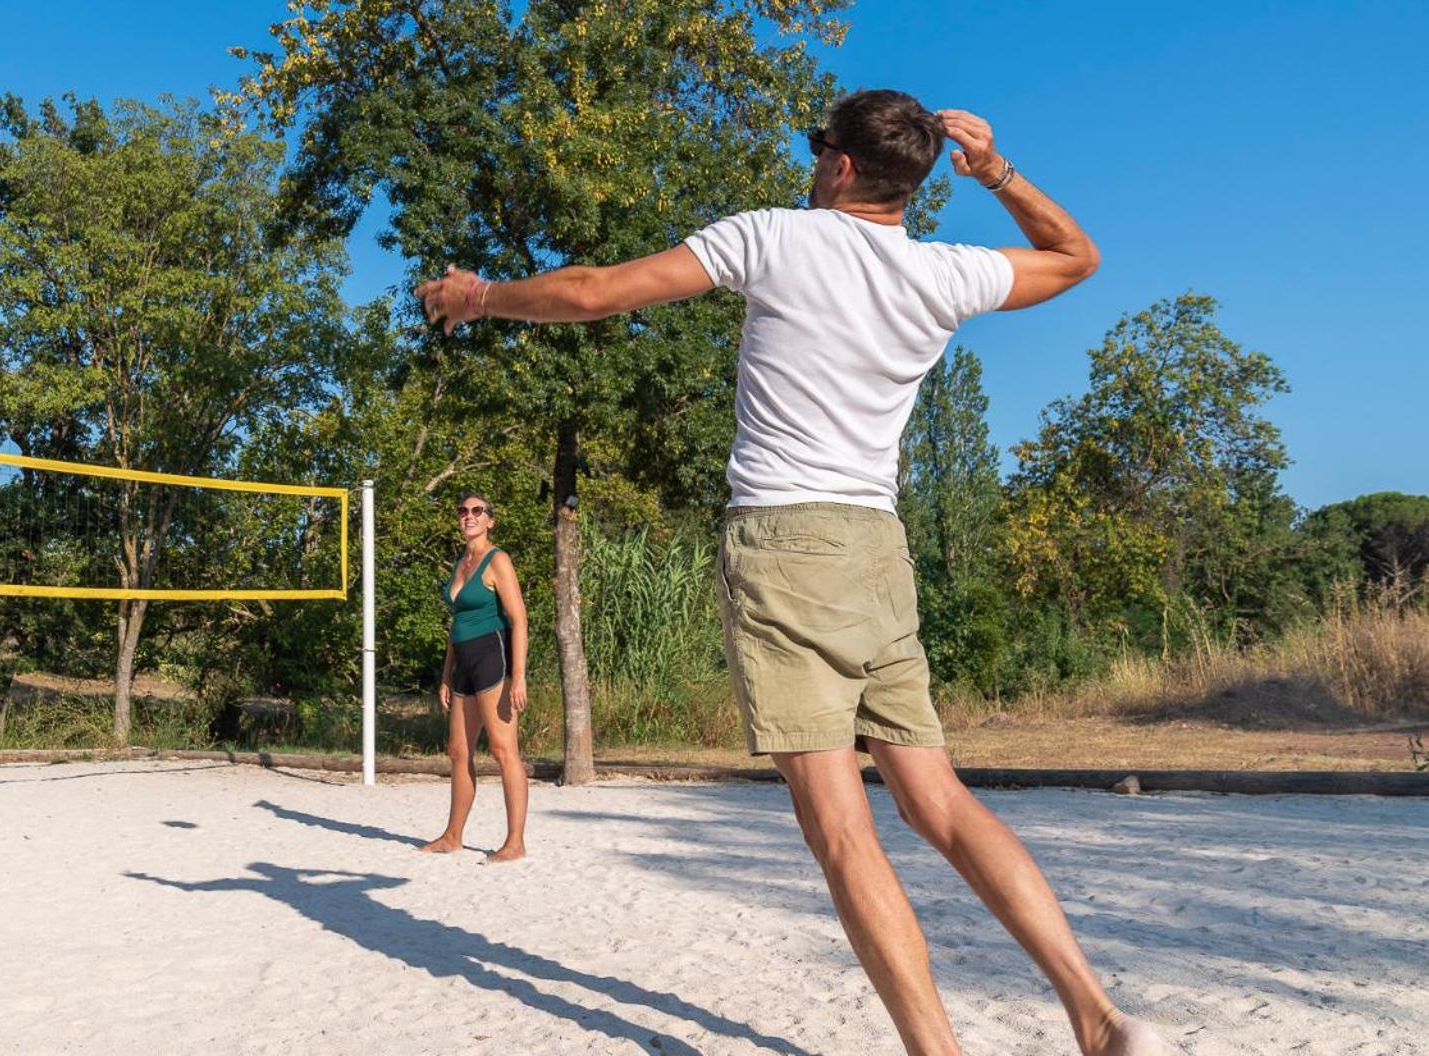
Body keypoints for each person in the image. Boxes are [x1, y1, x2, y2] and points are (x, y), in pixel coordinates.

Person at [417, 91, 1168, 1056]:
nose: (811, 160)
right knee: (938, 800)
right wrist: (997, 173)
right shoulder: (943, 274)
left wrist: (479, 298)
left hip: (784, 548)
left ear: (843, 167)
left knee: (842, 830)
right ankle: (1101, 1019)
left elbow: (597, 291)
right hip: (876, 551)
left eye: (819, 147)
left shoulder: (776, 237)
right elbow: (1076, 259)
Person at [419, 492, 531, 862]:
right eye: (463, 510)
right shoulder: (461, 561)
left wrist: (519, 675)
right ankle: (453, 835)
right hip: (463, 663)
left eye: (477, 511)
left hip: (491, 659)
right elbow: (457, 624)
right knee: (458, 751)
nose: (469, 516)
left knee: (502, 751)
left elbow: (518, 619)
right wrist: (447, 673)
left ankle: (515, 843)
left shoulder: (497, 560)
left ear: (490, 520)